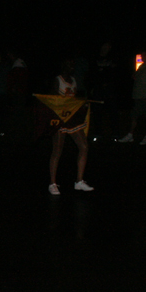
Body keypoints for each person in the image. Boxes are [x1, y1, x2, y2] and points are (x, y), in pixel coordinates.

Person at [48, 59, 93, 195]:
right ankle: (52, 183)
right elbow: (52, 100)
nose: (72, 67)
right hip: (60, 118)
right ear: (64, 66)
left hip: (72, 118)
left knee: (84, 146)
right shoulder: (58, 80)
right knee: (57, 150)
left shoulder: (73, 80)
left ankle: (79, 181)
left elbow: (73, 99)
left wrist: (81, 104)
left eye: (73, 65)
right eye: (69, 64)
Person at [119, 51, 146, 145]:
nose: (142, 57)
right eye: (141, 56)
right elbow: (135, 76)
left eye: (144, 56)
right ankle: (130, 135)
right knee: (134, 115)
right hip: (138, 95)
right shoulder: (141, 66)